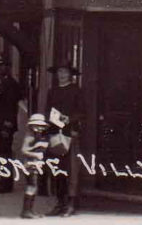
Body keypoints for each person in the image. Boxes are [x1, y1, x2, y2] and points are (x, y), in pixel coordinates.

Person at [45, 62, 84, 217]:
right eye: (59, 71)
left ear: (70, 74)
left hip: (70, 133)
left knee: (72, 169)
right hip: (55, 133)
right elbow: (48, 109)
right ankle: (59, 202)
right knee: (57, 169)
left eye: (65, 72)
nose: (62, 75)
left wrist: (70, 119)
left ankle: (71, 204)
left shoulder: (76, 90)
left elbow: (82, 112)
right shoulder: (52, 91)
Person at [0, 55, 24, 194]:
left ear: (8, 68)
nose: (0, 69)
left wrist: (6, 125)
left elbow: (10, 106)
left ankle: (5, 183)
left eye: (3, 66)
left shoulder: (10, 84)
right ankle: (4, 181)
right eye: (0, 66)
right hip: (1, 123)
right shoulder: (3, 83)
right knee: (3, 153)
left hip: (5, 125)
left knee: (5, 153)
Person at [20, 113, 51, 219]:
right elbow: (24, 150)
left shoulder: (39, 136)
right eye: (36, 125)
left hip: (36, 165)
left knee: (33, 187)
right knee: (31, 187)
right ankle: (26, 210)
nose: (39, 128)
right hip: (30, 165)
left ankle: (29, 210)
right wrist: (35, 154)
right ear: (31, 126)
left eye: (41, 126)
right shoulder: (30, 137)